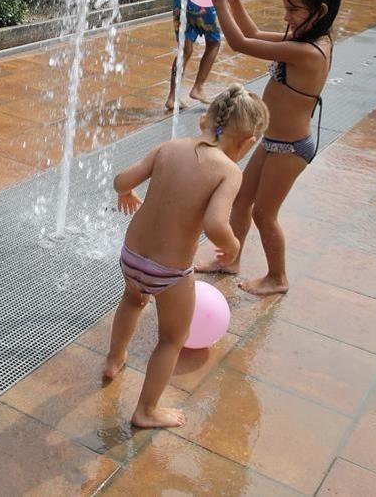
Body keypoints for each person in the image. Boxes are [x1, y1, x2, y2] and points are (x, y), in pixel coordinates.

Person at [105, 85, 267, 428]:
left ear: (204, 121)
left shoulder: (169, 147)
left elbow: (121, 179)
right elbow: (214, 222)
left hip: (132, 256)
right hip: (169, 271)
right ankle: (146, 410)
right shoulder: (229, 171)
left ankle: (113, 358)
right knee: (171, 339)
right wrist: (233, 244)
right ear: (247, 143)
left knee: (132, 301)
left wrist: (127, 192)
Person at [194, 0, 341, 296]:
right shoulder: (302, 39)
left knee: (264, 213)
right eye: (286, 8)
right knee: (241, 200)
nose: (287, 17)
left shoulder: (308, 51)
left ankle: (278, 277)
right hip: (273, 142)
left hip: (291, 149)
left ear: (320, 12)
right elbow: (253, 31)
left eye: (295, 10)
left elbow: (239, 43)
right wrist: (234, 1)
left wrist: (218, 3)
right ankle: (230, 259)